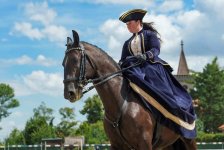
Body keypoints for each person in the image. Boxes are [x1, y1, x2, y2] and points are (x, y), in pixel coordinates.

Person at [118, 9, 196, 139]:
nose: (127, 26)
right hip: (133, 70)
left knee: (158, 84)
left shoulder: (149, 35)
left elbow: (155, 49)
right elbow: (122, 59)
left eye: (129, 23)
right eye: (126, 25)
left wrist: (146, 56)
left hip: (150, 68)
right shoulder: (127, 43)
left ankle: (172, 113)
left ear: (138, 21)